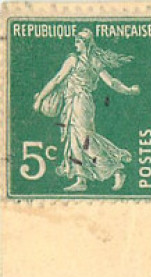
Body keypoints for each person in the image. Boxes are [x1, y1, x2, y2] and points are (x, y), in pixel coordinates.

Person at [31, 28, 139, 192]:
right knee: (73, 139)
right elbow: (57, 80)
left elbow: (110, 82)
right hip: (73, 102)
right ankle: (81, 178)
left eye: (79, 40)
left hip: (81, 102)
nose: (76, 43)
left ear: (86, 43)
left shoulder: (79, 61)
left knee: (84, 139)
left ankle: (116, 169)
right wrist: (129, 90)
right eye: (76, 40)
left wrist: (128, 90)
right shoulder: (84, 60)